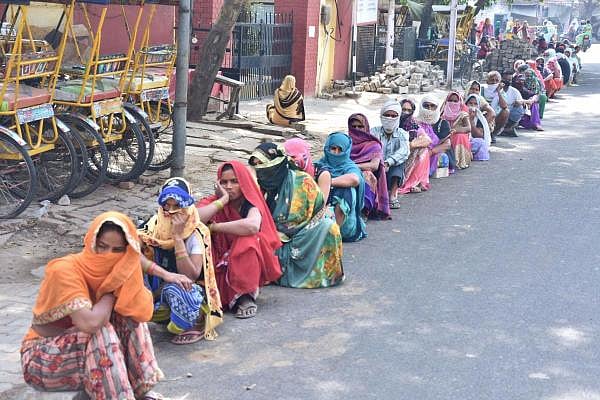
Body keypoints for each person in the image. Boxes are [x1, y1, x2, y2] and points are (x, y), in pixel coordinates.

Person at [21, 212, 165, 400]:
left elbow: (141, 312)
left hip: (85, 355)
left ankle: (141, 392)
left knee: (129, 313)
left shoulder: (122, 271)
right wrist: (110, 287)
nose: (107, 255)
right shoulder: (65, 269)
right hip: (41, 360)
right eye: (102, 246)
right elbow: (90, 323)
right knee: (100, 331)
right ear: (90, 242)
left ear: (127, 251)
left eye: (117, 250)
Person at [138, 177, 223, 345]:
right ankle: (160, 311)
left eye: (177, 206)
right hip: (158, 289)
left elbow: (191, 275)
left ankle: (195, 320)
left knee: (179, 287)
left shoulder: (197, 232)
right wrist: (163, 274)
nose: (170, 211)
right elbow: (130, 251)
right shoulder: (153, 225)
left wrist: (177, 238)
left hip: (188, 289)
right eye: (166, 206)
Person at [249, 143, 345, 288]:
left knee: (329, 227)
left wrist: (297, 229)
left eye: (262, 164)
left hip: (303, 234)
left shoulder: (302, 181)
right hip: (272, 239)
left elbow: (318, 210)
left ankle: (325, 274)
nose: (259, 169)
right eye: (255, 165)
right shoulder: (257, 185)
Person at [197, 161, 282, 318]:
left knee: (248, 240)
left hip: (244, 261)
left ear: (243, 182)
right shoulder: (214, 201)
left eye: (234, 181)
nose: (229, 186)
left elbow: (252, 226)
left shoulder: (250, 203)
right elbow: (195, 218)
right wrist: (222, 201)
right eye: (224, 182)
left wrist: (216, 227)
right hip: (218, 261)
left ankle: (244, 296)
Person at [314, 132, 367, 242]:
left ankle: (334, 233)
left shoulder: (349, 166)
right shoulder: (320, 164)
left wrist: (327, 182)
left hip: (345, 226)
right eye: (333, 148)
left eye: (340, 150)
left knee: (347, 190)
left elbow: (355, 179)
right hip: (320, 216)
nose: (336, 153)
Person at [347, 113, 391, 218]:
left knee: (367, 175)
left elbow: (374, 165)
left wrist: (353, 166)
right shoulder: (346, 143)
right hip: (347, 171)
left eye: (360, 126)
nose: (357, 129)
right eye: (354, 127)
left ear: (366, 127)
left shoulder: (374, 145)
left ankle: (364, 210)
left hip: (363, 173)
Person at [370, 100, 410, 208]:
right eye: (387, 115)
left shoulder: (402, 133)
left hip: (391, 167)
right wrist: (379, 162)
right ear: (381, 116)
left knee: (399, 164)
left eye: (393, 116)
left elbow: (404, 151)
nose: (390, 118)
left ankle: (393, 195)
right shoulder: (374, 132)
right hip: (377, 165)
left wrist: (388, 162)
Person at [398, 98, 437, 194]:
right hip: (395, 156)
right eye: (403, 109)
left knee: (424, 150)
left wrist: (410, 145)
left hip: (408, 154)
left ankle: (416, 182)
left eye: (409, 110)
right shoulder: (392, 122)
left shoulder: (413, 124)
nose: (406, 112)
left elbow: (427, 140)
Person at [416, 95, 454, 174]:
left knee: (443, 157)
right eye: (426, 106)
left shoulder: (440, 123)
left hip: (431, 155)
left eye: (432, 106)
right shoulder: (415, 123)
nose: (429, 109)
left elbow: (445, 144)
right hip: (419, 155)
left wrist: (432, 151)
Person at [441, 91, 472, 169]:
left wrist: (456, 130)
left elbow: (468, 128)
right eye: (450, 100)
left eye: (455, 101)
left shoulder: (462, 113)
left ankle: (459, 161)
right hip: (446, 135)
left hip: (458, 134)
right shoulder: (443, 112)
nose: (452, 103)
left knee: (460, 137)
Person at [498, 70, 529, 137]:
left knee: (520, 108)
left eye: (509, 80)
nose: (507, 81)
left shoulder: (514, 91)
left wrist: (519, 102)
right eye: (505, 79)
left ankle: (507, 128)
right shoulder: (496, 89)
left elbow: (522, 101)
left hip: (509, 115)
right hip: (497, 113)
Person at [481, 71, 509, 142]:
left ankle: (493, 134)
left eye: (497, 80)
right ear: (487, 81)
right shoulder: (481, 89)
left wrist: (498, 92)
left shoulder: (501, 92)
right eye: (492, 80)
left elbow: (504, 106)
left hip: (495, 117)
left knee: (506, 112)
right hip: (482, 115)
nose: (494, 82)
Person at [465, 94, 491, 161]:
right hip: (460, 141)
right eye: (470, 103)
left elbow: (479, 135)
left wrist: (471, 120)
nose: (472, 106)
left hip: (471, 143)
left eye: (475, 104)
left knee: (481, 143)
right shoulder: (461, 114)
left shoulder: (480, 118)